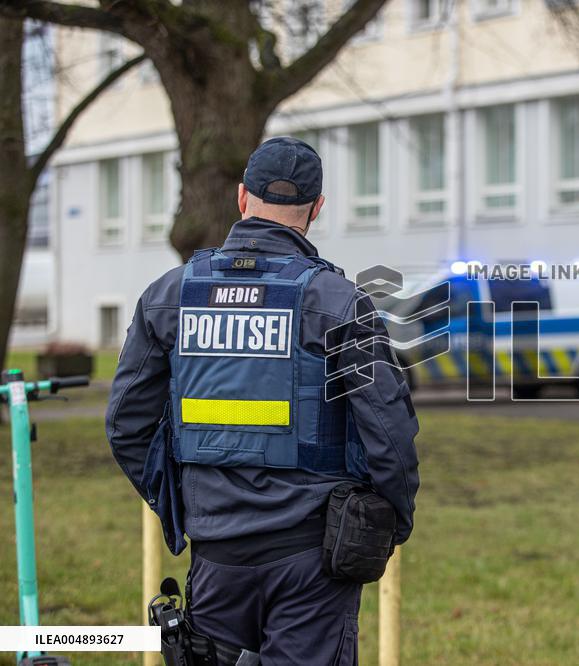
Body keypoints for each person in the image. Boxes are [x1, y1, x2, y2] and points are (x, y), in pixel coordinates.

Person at [106, 137, 419, 665]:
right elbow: (388, 429)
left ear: (241, 197)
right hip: (313, 556)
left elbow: (125, 426)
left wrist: (185, 506)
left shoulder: (169, 295)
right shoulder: (340, 304)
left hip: (216, 553)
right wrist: (390, 523)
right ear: (317, 208)